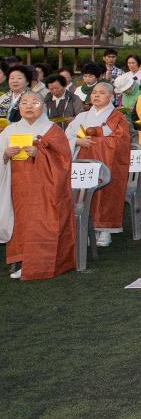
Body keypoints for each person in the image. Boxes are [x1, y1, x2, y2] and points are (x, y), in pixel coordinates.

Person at [0, 92, 74, 280]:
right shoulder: (10, 130)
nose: (29, 106)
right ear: (19, 107)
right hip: (17, 186)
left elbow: (64, 160)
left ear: (43, 106)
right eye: (24, 102)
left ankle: (42, 262)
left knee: (42, 221)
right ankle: (25, 260)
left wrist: (40, 154)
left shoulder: (53, 130)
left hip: (45, 188)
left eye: (35, 102)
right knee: (21, 221)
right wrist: (5, 155)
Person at [67, 81, 133, 248]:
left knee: (107, 194)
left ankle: (105, 231)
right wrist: (77, 141)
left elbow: (121, 142)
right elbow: (66, 137)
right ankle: (86, 230)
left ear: (111, 97)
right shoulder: (82, 117)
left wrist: (95, 143)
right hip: (82, 162)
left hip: (109, 162)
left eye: (102, 92)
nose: (96, 95)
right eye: (94, 92)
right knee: (82, 196)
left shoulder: (117, 118)